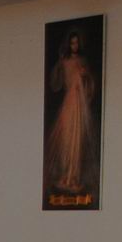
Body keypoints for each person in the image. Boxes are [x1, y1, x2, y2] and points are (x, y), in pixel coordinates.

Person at [48, 31, 97, 196]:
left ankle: (73, 176)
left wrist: (85, 76)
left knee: (76, 141)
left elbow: (90, 84)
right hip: (68, 103)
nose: (74, 46)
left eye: (76, 43)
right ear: (68, 44)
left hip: (79, 104)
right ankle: (65, 175)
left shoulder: (82, 61)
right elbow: (56, 83)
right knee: (66, 140)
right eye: (72, 43)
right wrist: (59, 63)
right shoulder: (65, 62)